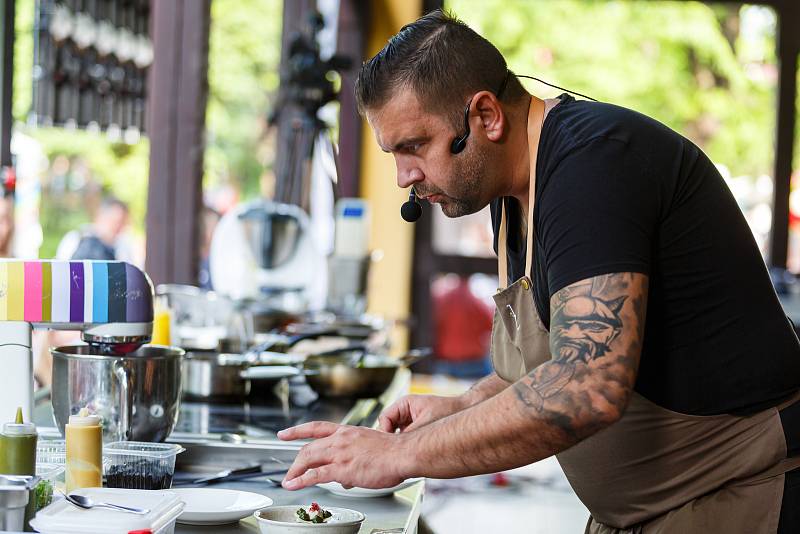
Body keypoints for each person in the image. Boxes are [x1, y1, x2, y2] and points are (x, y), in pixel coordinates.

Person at [277, 10, 800, 533]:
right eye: (394, 154)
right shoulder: (509, 190)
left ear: (485, 117)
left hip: (741, 499)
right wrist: (457, 409)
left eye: (414, 147)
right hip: (645, 513)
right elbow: (539, 371)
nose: (403, 177)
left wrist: (400, 454)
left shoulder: (592, 166)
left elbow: (584, 387)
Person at [57, 196, 130, 261]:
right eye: (115, 221)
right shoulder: (75, 238)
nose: (118, 227)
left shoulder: (122, 245)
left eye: (122, 223)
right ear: (100, 216)